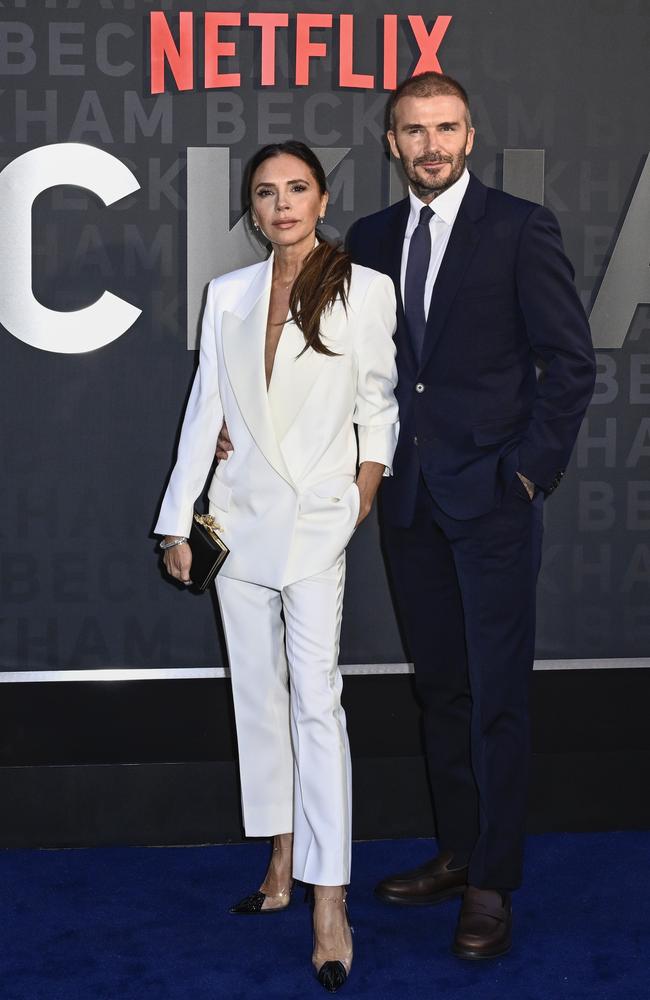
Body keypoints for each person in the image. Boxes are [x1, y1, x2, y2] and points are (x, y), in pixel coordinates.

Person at [344, 72, 596, 959]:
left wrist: (528, 474)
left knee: (496, 699)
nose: (430, 145)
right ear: (391, 143)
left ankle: (493, 881)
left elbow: (570, 363)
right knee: (441, 690)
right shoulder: (369, 238)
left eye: (445, 128)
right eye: (413, 131)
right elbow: (352, 369)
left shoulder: (522, 229)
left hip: (493, 500)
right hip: (406, 501)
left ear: (470, 134)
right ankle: (458, 849)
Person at [155, 140, 398, 992]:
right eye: (266, 193)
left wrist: (361, 495)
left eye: (297, 188)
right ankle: (282, 857)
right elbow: (204, 413)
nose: (282, 204)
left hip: (316, 524)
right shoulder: (226, 294)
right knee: (256, 698)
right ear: (252, 209)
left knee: (317, 701)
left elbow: (379, 405)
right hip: (238, 517)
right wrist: (176, 523)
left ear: (321, 197)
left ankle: (331, 898)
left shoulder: (364, 289)